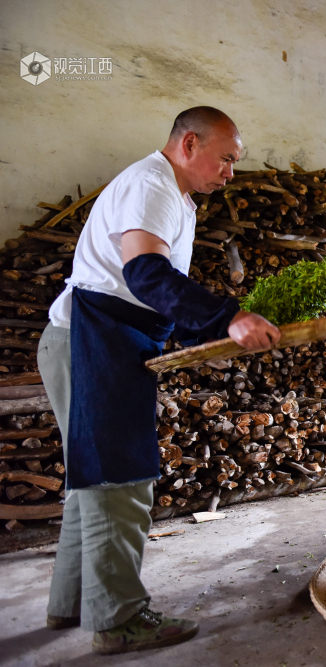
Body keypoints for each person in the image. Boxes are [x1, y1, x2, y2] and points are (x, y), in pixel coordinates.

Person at [38, 107, 281, 654]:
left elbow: (150, 289)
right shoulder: (153, 182)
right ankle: (118, 620)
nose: (231, 172)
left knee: (91, 481)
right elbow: (144, 273)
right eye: (226, 158)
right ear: (189, 144)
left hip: (98, 340)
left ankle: (72, 605)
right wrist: (228, 317)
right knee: (119, 483)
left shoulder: (173, 194)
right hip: (89, 342)